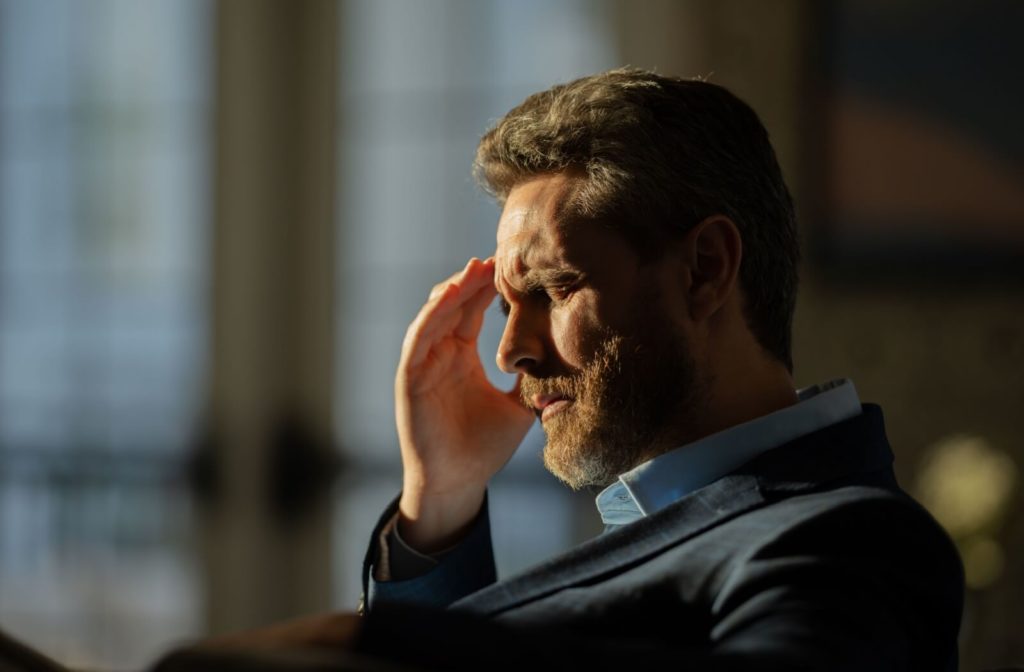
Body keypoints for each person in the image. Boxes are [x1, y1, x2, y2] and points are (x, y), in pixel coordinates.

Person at [158, 68, 964, 672]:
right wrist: (441, 501)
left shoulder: (852, 541)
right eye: (508, 306)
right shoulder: (685, 520)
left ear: (706, 270)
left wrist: (374, 646)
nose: (510, 352)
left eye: (552, 289)